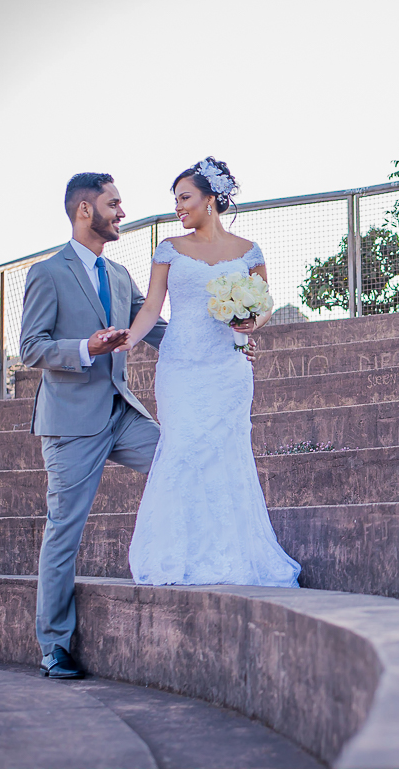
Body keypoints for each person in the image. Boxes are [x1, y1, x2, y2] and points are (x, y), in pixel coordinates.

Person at [118, 157, 301, 588]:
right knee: (183, 447)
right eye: (175, 200)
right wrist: (127, 339)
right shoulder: (169, 249)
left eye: (185, 198)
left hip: (229, 367)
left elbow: (265, 304)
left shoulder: (249, 250)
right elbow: (150, 308)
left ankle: (230, 555)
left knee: (226, 451)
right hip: (180, 365)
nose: (178, 208)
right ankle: (175, 554)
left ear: (210, 200)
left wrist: (248, 324)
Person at [19, 172, 168, 679]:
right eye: (114, 203)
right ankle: (54, 645)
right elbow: (32, 347)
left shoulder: (121, 275)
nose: (122, 212)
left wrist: (224, 342)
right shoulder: (47, 272)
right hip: (70, 425)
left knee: (180, 461)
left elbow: (155, 328)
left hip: (121, 413)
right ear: (86, 210)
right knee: (64, 533)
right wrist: (88, 348)